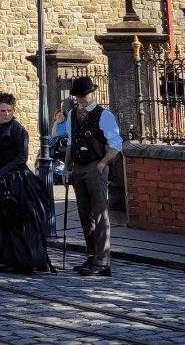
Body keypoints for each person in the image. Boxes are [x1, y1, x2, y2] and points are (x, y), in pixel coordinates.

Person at [0, 92, 55, 273]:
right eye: (2, 111)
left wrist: (1, 173)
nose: (6, 114)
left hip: (17, 181)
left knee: (19, 220)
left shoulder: (19, 130)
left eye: (9, 111)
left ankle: (23, 259)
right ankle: (1, 257)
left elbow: (21, 157)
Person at [58, 76, 122, 277]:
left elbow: (116, 145)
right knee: (85, 216)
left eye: (83, 95)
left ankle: (102, 261)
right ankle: (91, 256)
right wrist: (67, 168)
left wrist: (102, 164)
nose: (81, 99)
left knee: (100, 214)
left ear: (92, 93)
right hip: (78, 167)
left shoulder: (105, 116)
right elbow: (69, 144)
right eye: (78, 96)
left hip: (95, 166)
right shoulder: (72, 115)